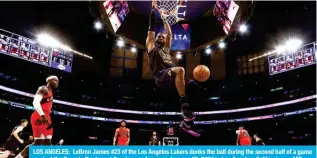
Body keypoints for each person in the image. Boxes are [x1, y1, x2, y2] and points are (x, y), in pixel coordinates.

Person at [146, 0, 196, 129]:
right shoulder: (151, 46)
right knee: (180, 69)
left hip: (172, 76)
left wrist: (164, 19)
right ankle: (183, 103)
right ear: (156, 39)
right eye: (160, 37)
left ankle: (186, 121)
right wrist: (153, 10)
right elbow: (151, 29)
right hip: (160, 76)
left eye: (163, 37)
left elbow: (169, 34)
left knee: (195, 87)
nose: (162, 37)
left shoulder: (167, 49)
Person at [15, 76, 59, 158]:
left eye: (58, 81)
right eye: (55, 80)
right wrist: (42, 115)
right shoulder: (43, 88)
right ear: (49, 80)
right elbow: (35, 102)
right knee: (37, 144)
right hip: (40, 115)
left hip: (46, 116)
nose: (57, 82)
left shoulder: (51, 92)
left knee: (47, 144)